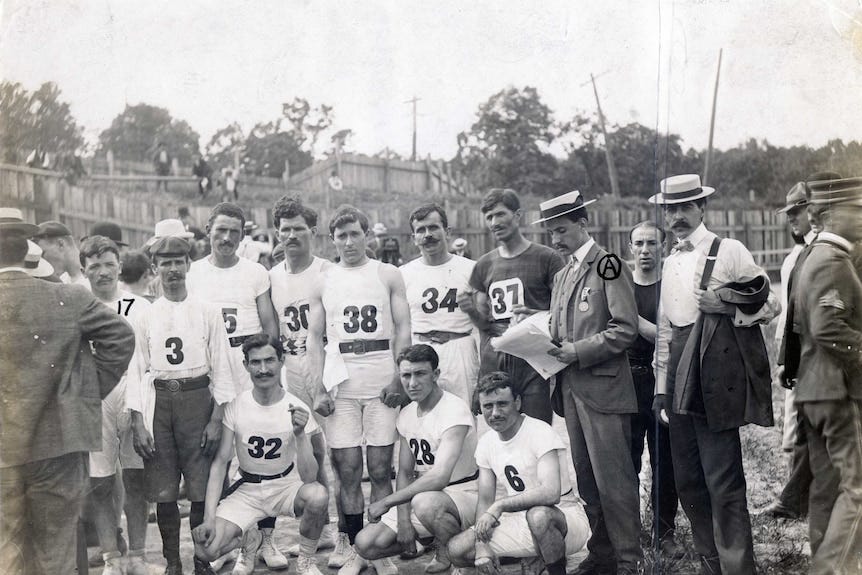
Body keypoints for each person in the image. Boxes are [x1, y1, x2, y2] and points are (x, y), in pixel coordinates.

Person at [650, 174, 779, 575]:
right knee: (688, 478)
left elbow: (770, 304)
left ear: (702, 208)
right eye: (670, 209)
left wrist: (726, 308)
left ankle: (738, 567)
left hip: (714, 372)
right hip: (677, 374)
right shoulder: (669, 261)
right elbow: (665, 332)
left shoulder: (729, 250)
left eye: (685, 207)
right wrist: (660, 390)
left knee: (722, 479)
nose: (677, 217)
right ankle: (710, 563)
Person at [0, 208, 135, 575]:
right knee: (57, 549)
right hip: (60, 441)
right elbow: (121, 337)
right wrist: (85, 393)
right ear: (26, 249)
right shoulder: (68, 297)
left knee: (7, 549)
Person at [541, 191, 643, 574]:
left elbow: (625, 329)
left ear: (583, 224)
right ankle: (602, 554)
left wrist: (578, 351)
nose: (555, 239)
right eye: (551, 233)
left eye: (561, 230)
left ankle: (629, 560)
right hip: (570, 390)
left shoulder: (608, 266)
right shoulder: (563, 274)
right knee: (586, 480)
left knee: (614, 481)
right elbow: (562, 326)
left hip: (603, 390)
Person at [306, 204, 411, 572]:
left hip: (380, 374)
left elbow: (403, 328)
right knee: (347, 469)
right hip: (341, 380)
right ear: (332, 240)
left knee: (381, 469)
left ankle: (378, 550)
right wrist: (318, 388)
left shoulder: (388, 273)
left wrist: (399, 376)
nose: (349, 242)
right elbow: (314, 338)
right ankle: (353, 548)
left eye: (355, 234)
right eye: (341, 236)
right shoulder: (323, 279)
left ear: (367, 235)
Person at [126, 235, 236, 575]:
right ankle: (172, 561)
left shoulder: (208, 311)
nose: (172, 269)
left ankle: (201, 559)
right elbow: (136, 370)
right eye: (165, 263)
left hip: (197, 398)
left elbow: (223, 367)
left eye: (178, 262)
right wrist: (138, 422)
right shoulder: (145, 315)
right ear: (155, 268)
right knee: (165, 490)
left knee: (200, 487)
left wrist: (216, 418)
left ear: (188, 265)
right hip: (159, 402)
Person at [185, 202, 282, 572]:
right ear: (208, 229)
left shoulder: (255, 272)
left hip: (247, 366)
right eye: (220, 230)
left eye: (234, 232)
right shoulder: (195, 272)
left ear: (243, 236)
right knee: (218, 456)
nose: (226, 238)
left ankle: (266, 540)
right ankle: (231, 540)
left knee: (258, 455)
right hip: (210, 368)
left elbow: (269, 326)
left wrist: (266, 373)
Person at [192, 334, 330, 575]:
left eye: (269, 360)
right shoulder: (237, 405)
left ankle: (306, 560)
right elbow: (220, 463)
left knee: (317, 495)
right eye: (256, 362)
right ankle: (250, 540)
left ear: (281, 361)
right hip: (248, 488)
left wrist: (299, 434)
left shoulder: (296, 406)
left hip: (284, 486)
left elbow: (309, 477)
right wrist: (209, 518)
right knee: (206, 550)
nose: (263, 369)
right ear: (246, 365)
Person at [347, 344, 479, 575]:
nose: (412, 383)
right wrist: (403, 520)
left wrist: (387, 502)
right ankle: (438, 541)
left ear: (436, 374)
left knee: (426, 504)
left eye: (420, 374)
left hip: (464, 493)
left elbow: (439, 477)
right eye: (406, 375)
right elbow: (405, 473)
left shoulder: (454, 410)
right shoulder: (407, 414)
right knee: (366, 544)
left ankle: (464, 559)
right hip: (425, 496)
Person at [447, 372, 590, 575]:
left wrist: (500, 505)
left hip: (564, 519)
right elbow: (485, 500)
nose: (495, 413)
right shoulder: (486, 443)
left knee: (539, 516)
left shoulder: (539, 431)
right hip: (521, 518)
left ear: (517, 402)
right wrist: (481, 545)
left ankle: (555, 568)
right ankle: (533, 557)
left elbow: (551, 493)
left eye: (502, 404)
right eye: (488, 406)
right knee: (457, 550)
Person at [790, 175, 862, 574]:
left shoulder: (813, 256)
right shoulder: (834, 262)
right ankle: (829, 569)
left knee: (828, 487)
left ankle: (834, 563)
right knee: (858, 489)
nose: (861, 218)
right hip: (836, 391)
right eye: (856, 210)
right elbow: (827, 328)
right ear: (832, 215)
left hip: (813, 391)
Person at [268, 195, 340, 558]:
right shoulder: (271, 277)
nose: (292, 235)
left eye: (299, 228)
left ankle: (347, 534)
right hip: (290, 366)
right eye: (285, 229)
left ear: (313, 231)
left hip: (326, 364)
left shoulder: (328, 271)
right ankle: (321, 529)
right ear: (277, 233)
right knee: (310, 449)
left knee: (340, 452)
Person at [80, 235, 151, 575]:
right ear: (84, 270)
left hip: (135, 393)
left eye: (109, 264)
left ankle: (137, 555)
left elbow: (147, 362)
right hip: (96, 397)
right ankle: (111, 558)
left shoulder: (139, 306)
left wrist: (140, 411)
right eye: (95, 266)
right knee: (101, 481)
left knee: (136, 478)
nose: (103, 272)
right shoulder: (79, 305)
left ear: (120, 267)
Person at [462, 188, 564, 424]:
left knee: (537, 428)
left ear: (518, 215)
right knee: (502, 429)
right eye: (489, 217)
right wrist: (470, 309)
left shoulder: (547, 258)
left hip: (533, 360)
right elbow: (484, 325)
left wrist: (537, 315)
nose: (494, 222)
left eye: (500, 214)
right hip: (498, 359)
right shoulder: (484, 264)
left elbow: (564, 310)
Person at [763, 178, 825, 521]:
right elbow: (788, 314)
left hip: (817, 353)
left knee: (810, 427)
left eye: (797, 211)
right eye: (788, 212)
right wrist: (785, 357)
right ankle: (795, 496)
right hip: (796, 350)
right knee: (799, 426)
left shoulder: (823, 252)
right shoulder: (794, 258)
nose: (791, 218)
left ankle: (795, 499)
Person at [625, 221, 681, 560]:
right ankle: (629, 529)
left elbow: (669, 336)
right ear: (630, 248)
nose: (645, 250)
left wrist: (631, 319)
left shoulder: (671, 286)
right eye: (639, 244)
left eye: (652, 243)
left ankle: (665, 531)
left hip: (662, 381)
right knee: (628, 460)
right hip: (628, 382)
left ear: (663, 247)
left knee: (665, 461)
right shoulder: (620, 286)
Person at [400, 203, 479, 404]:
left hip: (459, 349)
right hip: (420, 350)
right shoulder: (403, 274)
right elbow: (400, 326)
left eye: (434, 227)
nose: (428, 235)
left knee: (463, 413)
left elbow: (483, 321)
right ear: (414, 238)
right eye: (421, 230)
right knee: (422, 416)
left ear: (447, 232)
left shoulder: (471, 269)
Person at [32, 220, 88, 286]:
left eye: (43, 254)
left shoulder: (92, 278)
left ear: (61, 244)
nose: (41, 262)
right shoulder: (62, 280)